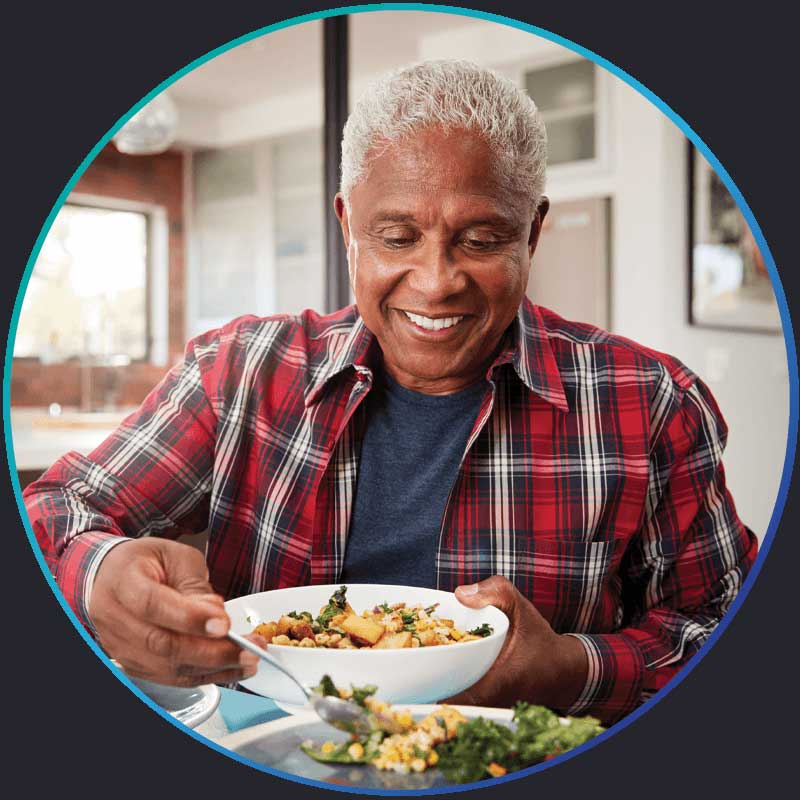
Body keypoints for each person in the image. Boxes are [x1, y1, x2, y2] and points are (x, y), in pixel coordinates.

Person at [23, 60, 757, 726]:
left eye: (481, 238)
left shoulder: (650, 403)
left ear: (532, 232)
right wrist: (95, 577)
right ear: (348, 227)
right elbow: (54, 509)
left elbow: (722, 620)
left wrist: (571, 669)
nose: (437, 281)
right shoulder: (240, 371)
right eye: (397, 237)